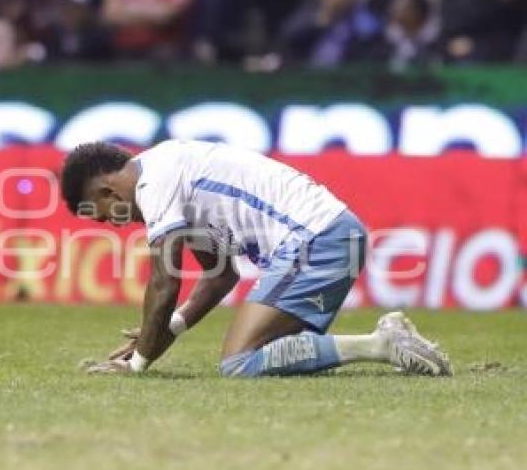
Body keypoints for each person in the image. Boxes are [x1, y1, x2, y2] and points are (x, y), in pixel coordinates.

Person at [60, 140, 452, 377]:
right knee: (266, 357)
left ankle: (381, 344)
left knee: (239, 362)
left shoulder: (154, 183)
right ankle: (383, 343)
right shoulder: (169, 166)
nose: (115, 224)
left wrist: (138, 361)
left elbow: (165, 280)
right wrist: (171, 329)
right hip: (333, 233)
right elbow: (219, 276)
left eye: (103, 214)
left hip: (316, 238)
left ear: (108, 190)